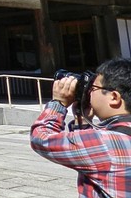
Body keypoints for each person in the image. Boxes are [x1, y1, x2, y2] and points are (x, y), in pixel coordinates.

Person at [30, 58, 131, 197]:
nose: (89, 92)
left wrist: (58, 103)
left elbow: (40, 139)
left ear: (114, 97)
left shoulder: (105, 143)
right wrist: (83, 121)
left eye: (93, 88)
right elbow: (91, 161)